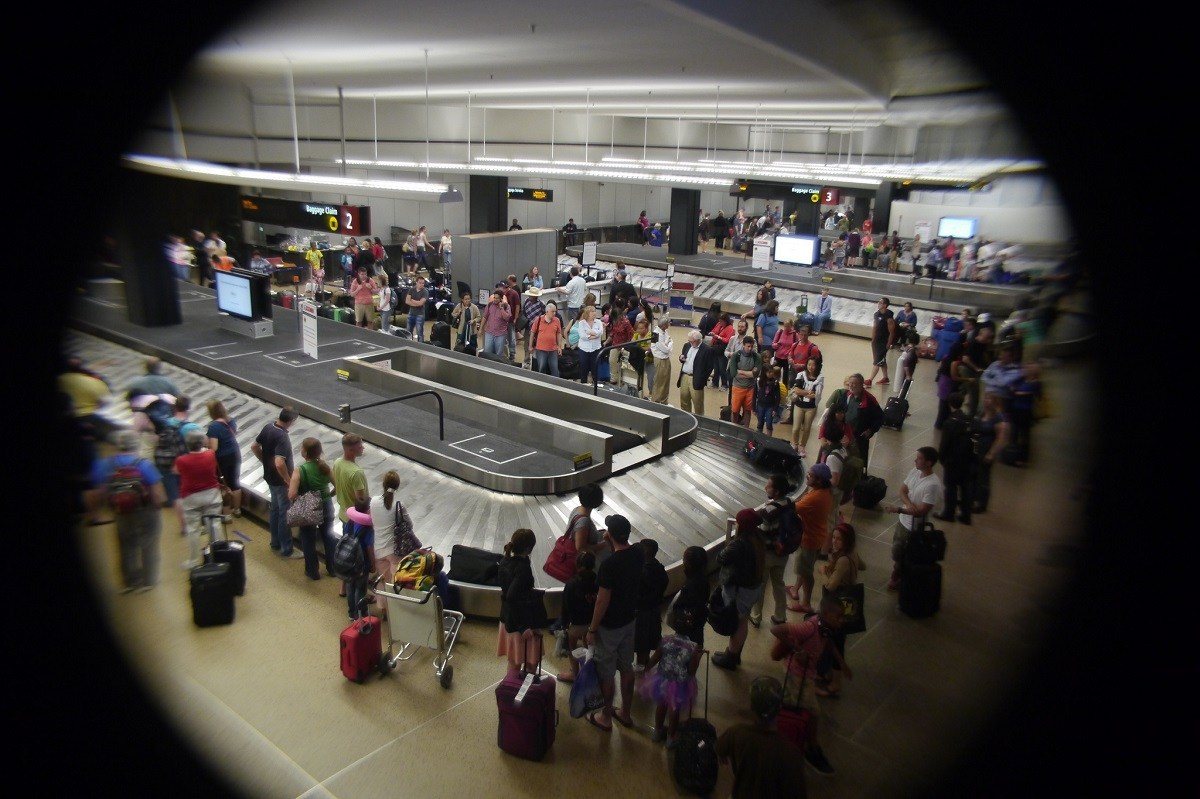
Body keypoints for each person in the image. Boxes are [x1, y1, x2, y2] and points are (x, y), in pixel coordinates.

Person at [769, 595, 847, 776]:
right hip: (796, 676)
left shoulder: (825, 628)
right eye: (839, 616)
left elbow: (829, 644)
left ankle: (805, 746)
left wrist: (841, 664)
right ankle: (806, 749)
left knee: (809, 713)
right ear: (826, 614)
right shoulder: (810, 627)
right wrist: (798, 650)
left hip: (806, 676)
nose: (842, 621)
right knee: (807, 712)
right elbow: (776, 629)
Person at [585, 514, 644, 732]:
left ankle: (606, 716)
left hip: (609, 626)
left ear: (609, 534)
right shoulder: (638, 554)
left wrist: (592, 629)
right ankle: (625, 713)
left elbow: (602, 600)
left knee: (606, 672)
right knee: (627, 666)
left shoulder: (610, 565)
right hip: (630, 620)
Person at [88, 429, 167, 593]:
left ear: (118, 445)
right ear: (135, 444)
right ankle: (149, 581)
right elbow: (157, 491)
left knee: (126, 545)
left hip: (120, 511)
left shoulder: (105, 465)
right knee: (149, 543)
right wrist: (158, 505)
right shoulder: (144, 464)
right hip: (145, 510)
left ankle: (131, 582)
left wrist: (95, 513)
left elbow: (97, 493)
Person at [716, 676, 808, 797]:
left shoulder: (736, 732)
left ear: (751, 706)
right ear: (780, 708)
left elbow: (719, 748)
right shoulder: (790, 752)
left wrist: (722, 754)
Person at [639, 601, 701, 747]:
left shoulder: (666, 640)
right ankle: (671, 737)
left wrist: (647, 668)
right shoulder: (693, 647)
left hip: (662, 678)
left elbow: (655, 658)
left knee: (661, 705)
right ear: (691, 627)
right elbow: (692, 670)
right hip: (679, 682)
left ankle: (657, 731)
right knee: (674, 709)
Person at [883, 447, 944, 591]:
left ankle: (897, 575)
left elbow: (922, 511)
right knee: (897, 550)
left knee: (905, 553)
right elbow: (902, 490)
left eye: (919, 458)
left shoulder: (933, 485)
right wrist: (909, 505)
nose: (915, 460)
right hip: (903, 522)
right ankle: (899, 570)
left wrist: (899, 509)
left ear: (929, 463)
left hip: (914, 527)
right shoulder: (915, 471)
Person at [712, 508, 765, 671]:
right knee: (743, 620)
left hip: (740, 591)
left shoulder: (739, 544)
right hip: (752, 588)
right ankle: (734, 653)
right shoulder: (758, 537)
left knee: (738, 622)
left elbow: (720, 557)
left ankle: (731, 657)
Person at [816, 523, 863, 697]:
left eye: (839, 539)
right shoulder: (851, 553)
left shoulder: (843, 559)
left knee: (836, 643)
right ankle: (829, 674)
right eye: (834, 537)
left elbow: (830, 586)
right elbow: (862, 565)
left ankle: (836, 683)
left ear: (847, 540)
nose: (835, 542)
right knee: (835, 641)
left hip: (837, 607)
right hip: (848, 603)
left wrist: (824, 571)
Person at [251, 407, 300, 559]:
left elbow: (254, 446)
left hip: (270, 477)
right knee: (284, 513)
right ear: (291, 421)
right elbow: (279, 462)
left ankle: (275, 542)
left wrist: (264, 461)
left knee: (275, 510)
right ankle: (287, 549)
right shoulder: (282, 436)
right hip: (280, 481)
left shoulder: (268, 427)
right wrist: (288, 480)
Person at [496, 528, 546, 677]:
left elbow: (507, 593)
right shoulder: (523, 568)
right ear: (529, 548)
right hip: (522, 622)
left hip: (507, 620)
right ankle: (527, 692)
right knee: (532, 661)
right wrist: (523, 627)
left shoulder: (505, 561)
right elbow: (512, 596)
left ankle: (510, 690)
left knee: (514, 661)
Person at [786, 463, 834, 614]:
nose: (807, 476)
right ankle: (795, 589)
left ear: (819, 480)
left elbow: (792, 509)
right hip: (817, 536)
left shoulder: (815, 498)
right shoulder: (825, 492)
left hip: (809, 539)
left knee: (806, 572)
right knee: (805, 567)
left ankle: (806, 604)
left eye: (810, 475)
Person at [749, 474, 795, 629]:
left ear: (775, 492)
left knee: (760, 585)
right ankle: (780, 616)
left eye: (768, 486)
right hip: (783, 553)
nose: (765, 487)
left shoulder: (768, 511)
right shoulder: (789, 502)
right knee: (779, 584)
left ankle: (756, 617)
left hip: (767, 554)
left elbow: (762, 533)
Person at [175, 429, 223, 570]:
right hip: (212, 494)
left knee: (193, 529)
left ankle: (194, 560)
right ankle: (218, 556)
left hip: (191, 497)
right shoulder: (210, 455)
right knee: (215, 525)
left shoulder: (181, 460)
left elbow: (177, 472)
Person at [288, 437, 335, 581]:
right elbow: (337, 486)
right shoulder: (325, 467)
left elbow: (292, 494)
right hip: (326, 505)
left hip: (309, 508)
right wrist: (327, 495)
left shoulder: (300, 470)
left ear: (305, 452)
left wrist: (300, 500)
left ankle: (312, 571)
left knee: (308, 539)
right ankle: (332, 569)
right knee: (328, 537)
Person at [332, 432, 370, 597]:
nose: (362, 447)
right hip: (356, 520)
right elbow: (360, 500)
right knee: (358, 555)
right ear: (352, 450)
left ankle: (342, 587)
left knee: (346, 550)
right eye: (360, 445)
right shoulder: (356, 472)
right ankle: (358, 592)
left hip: (343, 514)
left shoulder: (338, 463)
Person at [824, 373, 883, 468]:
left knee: (857, 460)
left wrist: (871, 430)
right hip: (842, 434)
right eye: (850, 383)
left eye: (854, 383)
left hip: (858, 436)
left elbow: (880, 417)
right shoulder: (845, 395)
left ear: (861, 385)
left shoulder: (869, 400)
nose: (851, 385)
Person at [556, 551, 597, 683]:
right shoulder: (597, 579)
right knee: (589, 644)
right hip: (593, 623)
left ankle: (575, 673)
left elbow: (566, 606)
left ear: (577, 565)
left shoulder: (572, 583)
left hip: (576, 625)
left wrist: (564, 624)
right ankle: (590, 668)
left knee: (572, 646)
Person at [937, 392, 977, 526]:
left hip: (953, 460)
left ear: (949, 404)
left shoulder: (950, 422)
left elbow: (944, 444)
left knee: (951, 487)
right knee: (965, 487)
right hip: (967, 459)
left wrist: (942, 459)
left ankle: (949, 513)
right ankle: (966, 515)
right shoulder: (968, 419)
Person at [633, 538, 669, 673]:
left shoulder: (641, 573)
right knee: (648, 641)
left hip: (642, 614)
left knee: (641, 643)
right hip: (654, 611)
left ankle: (641, 669)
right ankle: (645, 663)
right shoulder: (660, 570)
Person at [972, 391, 1011, 514]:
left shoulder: (998, 419)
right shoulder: (981, 413)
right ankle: (974, 497)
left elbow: (1002, 439)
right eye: (985, 398)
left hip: (987, 450)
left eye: (989, 399)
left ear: (995, 402)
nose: (986, 401)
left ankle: (982, 503)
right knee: (974, 475)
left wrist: (991, 453)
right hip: (976, 448)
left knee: (984, 477)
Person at [204, 400, 241, 517]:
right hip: (235, 454)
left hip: (222, 459)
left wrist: (206, 444)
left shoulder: (214, 426)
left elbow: (214, 447)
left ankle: (226, 514)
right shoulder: (231, 421)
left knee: (224, 485)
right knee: (235, 483)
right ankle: (237, 510)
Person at [343, 502, 375, 619]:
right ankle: (361, 614)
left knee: (350, 585)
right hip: (362, 563)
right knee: (360, 589)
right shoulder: (367, 529)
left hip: (349, 560)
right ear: (367, 511)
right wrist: (373, 564)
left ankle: (352, 613)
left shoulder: (350, 523)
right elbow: (369, 548)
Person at [788, 356, 824, 457]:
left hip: (811, 407)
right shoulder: (801, 375)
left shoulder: (820, 378)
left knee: (807, 428)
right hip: (799, 405)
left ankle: (802, 446)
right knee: (796, 428)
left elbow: (816, 394)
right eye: (809, 364)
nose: (811, 367)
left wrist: (803, 392)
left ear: (817, 366)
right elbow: (797, 390)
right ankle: (795, 444)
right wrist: (807, 392)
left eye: (813, 365)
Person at [676, 330, 717, 416]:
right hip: (684, 376)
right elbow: (683, 357)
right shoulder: (687, 345)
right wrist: (681, 358)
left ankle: (699, 422)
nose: (690, 343)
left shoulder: (707, 350)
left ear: (698, 340)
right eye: (689, 341)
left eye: (692, 341)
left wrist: (702, 379)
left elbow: (710, 367)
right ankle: (686, 419)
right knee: (684, 401)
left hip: (697, 379)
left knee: (698, 404)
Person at [728, 336, 761, 428]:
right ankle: (733, 428)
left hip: (750, 388)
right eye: (748, 346)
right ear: (743, 345)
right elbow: (733, 373)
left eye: (751, 346)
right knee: (735, 411)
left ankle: (746, 428)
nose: (750, 349)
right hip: (737, 387)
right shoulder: (736, 355)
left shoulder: (756, 357)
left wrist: (741, 371)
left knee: (747, 410)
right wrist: (750, 373)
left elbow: (756, 374)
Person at [865, 297, 897, 387]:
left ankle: (870, 380)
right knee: (882, 360)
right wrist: (872, 339)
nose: (878, 304)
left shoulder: (889, 316)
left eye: (880, 302)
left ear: (885, 305)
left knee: (877, 361)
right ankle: (885, 378)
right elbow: (875, 327)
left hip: (884, 342)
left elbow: (892, 332)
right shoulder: (876, 314)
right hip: (876, 341)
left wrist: (889, 343)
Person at [529, 300, 565, 376]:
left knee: (555, 369)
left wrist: (559, 346)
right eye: (553, 311)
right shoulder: (538, 320)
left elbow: (559, 333)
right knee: (541, 368)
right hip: (541, 349)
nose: (554, 313)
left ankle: (555, 385)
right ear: (547, 311)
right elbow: (532, 333)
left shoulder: (557, 320)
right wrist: (530, 346)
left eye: (555, 311)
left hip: (553, 350)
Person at [574, 304, 604, 385]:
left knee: (595, 369)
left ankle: (595, 386)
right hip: (584, 349)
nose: (594, 313)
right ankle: (583, 385)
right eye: (592, 311)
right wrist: (594, 336)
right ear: (587, 313)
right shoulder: (581, 323)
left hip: (595, 348)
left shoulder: (598, 322)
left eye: (595, 311)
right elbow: (582, 336)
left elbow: (600, 332)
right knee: (584, 368)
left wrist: (591, 333)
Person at [480, 289, 512, 357]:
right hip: (489, 332)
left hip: (500, 334)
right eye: (494, 297)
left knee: (498, 354)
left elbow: (507, 318)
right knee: (487, 352)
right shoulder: (490, 305)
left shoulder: (506, 306)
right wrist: (480, 329)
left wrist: (501, 309)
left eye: (497, 298)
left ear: (501, 298)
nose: (495, 299)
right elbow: (484, 317)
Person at [648, 317, 673, 403]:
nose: (669, 325)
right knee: (659, 382)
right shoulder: (656, 334)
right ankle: (656, 401)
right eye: (668, 324)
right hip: (660, 360)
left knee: (666, 381)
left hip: (666, 358)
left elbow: (671, 341)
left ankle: (664, 401)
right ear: (664, 325)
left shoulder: (664, 331)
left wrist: (667, 344)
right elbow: (666, 349)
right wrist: (668, 344)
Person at [753, 363, 782, 437]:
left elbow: (778, 397)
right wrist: (753, 408)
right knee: (760, 423)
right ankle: (759, 438)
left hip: (770, 406)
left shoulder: (775, 382)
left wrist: (775, 409)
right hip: (760, 405)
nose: (771, 373)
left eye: (772, 372)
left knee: (769, 423)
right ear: (764, 372)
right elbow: (754, 394)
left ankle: (769, 439)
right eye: (769, 372)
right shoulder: (758, 381)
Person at [709, 313, 736, 388]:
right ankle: (715, 383)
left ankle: (724, 384)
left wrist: (718, 337)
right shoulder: (719, 324)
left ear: (726, 321)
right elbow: (714, 330)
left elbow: (728, 340)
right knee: (716, 367)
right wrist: (713, 334)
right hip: (715, 348)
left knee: (722, 368)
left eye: (721, 321)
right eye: (719, 321)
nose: (720, 323)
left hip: (723, 349)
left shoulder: (730, 328)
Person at [771, 318, 798, 384]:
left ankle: (785, 389)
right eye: (785, 326)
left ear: (791, 326)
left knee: (786, 376)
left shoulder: (795, 335)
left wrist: (791, 354)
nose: (786, 328)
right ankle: (773, 385)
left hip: (787, 359)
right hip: (778, 357)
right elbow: (773, 344)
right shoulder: (779, 332)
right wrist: (777, 344)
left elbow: (796, 346)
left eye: (788, 326)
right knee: (775, 374)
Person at [402, 276, 428, 342]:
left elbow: (421, 303)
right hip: (411, 313)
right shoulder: (411, 290)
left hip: (420, 315)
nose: (422, 284)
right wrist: (416, 303)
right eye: (420, 283)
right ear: (416, 283)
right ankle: (409, 344)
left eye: (423, 283)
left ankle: (421, 346)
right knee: (408, 331)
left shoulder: (425, 291)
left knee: (419, 333)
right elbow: (407, 301)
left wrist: (412, 300)